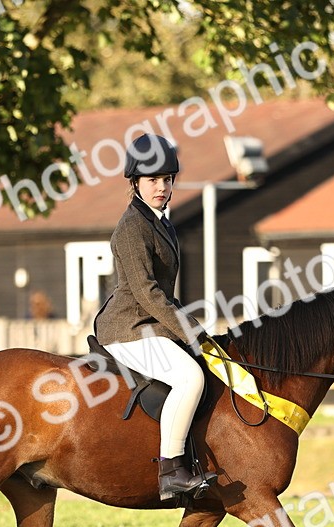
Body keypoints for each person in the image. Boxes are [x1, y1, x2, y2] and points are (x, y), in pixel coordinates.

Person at [93, 134, 217, 501]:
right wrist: (188, 329)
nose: (161, 187)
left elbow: (164, 293)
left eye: (167, 179)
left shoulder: (161, 223)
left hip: (150, 323)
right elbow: (147, 292)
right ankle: (171, 470)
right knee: (190, 378)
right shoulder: (132, 227)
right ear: (135, 183)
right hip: (127, 327)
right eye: (152, 180)